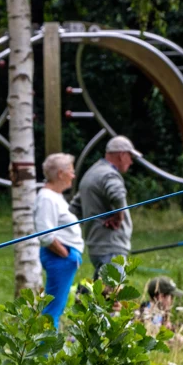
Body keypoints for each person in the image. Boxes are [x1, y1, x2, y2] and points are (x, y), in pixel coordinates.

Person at [73, 136, 139, 278]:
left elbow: (74, 208)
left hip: (95, 245)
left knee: (101, 290)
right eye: (130, 156)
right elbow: (118, 195)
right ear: (122, 155)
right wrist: (119, 217)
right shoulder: (109, 174)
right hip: (111, 246)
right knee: (114, 290)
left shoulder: (91, 173)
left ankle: (83, 291)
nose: (131, 161)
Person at [34, 153, 85, 327]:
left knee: (57, 307)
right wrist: (66, 255)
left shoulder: (55, 196)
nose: (73, 175)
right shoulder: (46, 198)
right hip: (59, 258)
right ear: (60, 174)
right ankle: (46, 344)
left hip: (64, 258)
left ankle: (49, 342)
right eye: (71, 171)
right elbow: (45, 234)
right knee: (53, 310)